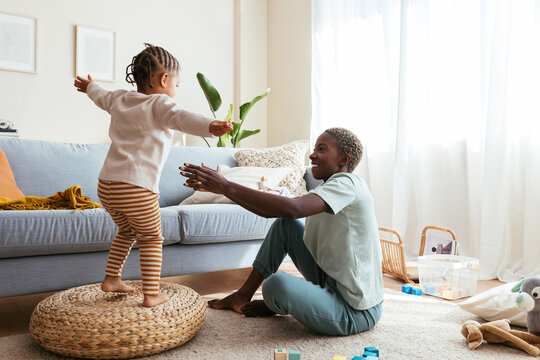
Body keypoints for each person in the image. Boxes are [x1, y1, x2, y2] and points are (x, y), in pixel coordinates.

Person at [180, 127, 383, 335]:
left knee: (277, 284)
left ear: (343, 160)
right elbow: (274, 212)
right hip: (330, 282)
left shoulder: (348, 183)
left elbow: (294, 209)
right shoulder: (327, 189)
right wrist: (226, 189)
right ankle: (243, 295)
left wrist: (227, 186)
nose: (312, 155)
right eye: (314, 149)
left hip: (354, 310)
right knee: (286, 225)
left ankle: (283, 302)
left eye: (321, 149)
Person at [74, 43, 232, 307]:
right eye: (176, 84)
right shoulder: (160, 104)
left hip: (107, 185)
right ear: (164, 79)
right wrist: (210, 125)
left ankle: (112, 277)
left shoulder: (119, 99)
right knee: (151, 238)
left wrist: (89, 86)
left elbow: (100, 94)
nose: (174, 90)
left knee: (125, 230)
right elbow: (183, 117)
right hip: (136, 187)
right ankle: (151, 294)